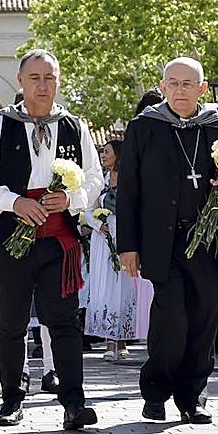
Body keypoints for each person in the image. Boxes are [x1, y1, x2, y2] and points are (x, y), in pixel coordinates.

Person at [0, 49, 103, 430]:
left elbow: (93, 178)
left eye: (50, 77)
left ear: (59, 81)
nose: (43, 85)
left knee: (63, 322)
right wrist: (13, 203)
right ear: (20, 81)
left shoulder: (75, 126)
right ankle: (12, 398)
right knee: (10, 322)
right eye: (35, 78)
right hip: (14, 237)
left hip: (58, 240)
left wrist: (72, 198)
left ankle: (74, 403)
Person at [118, 57, 218, 424]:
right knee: (171, 318)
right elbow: (128, 190)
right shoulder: (145, 127)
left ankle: (193, 396)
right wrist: (128, 246)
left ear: (202, 89)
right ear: (163, 85)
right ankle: (156, 391)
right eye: (174, 83)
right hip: (161, 240)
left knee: (204, 319)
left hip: (208, 240)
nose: (180, 90)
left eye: (188, 84)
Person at [84, 140, 136, 360]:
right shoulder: (98, 182)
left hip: (124, 234)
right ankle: (108, 341)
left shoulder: (130, 179)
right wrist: (97, 224)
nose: (102, 155)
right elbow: (87, 208)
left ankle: (122, 338)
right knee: (104, 286)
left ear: (118, 154)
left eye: (106, 151)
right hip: (103, 237)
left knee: (123, 286)